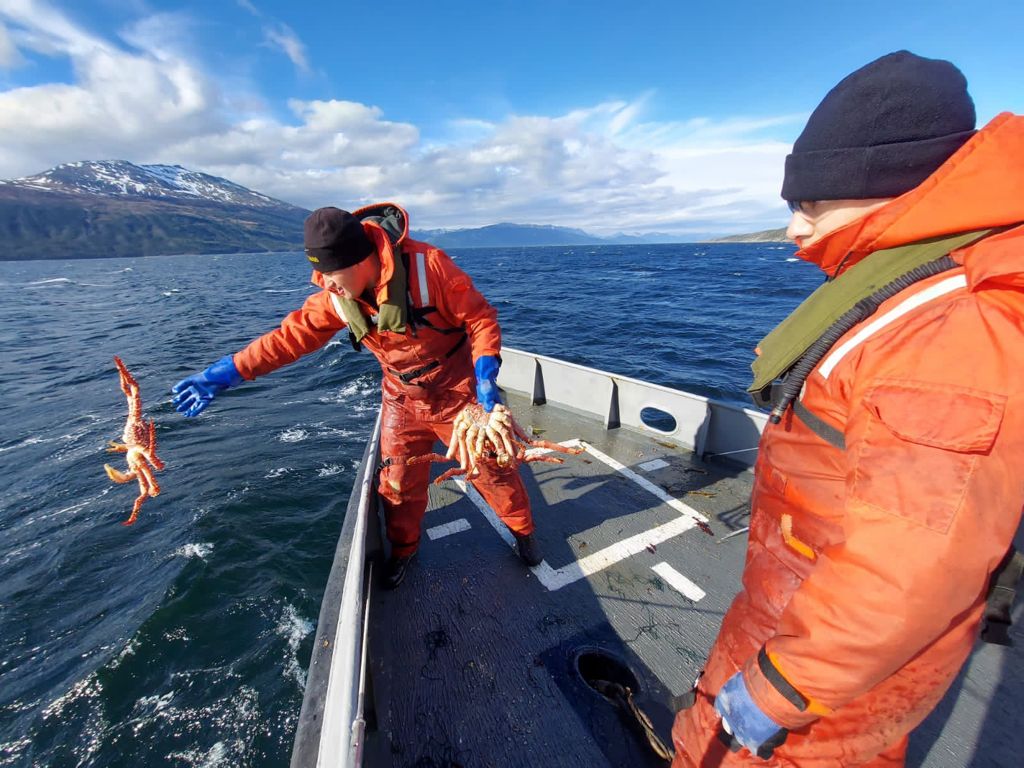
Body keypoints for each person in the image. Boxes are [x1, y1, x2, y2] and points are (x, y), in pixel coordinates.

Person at [671, 51, 1024, 766]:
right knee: (705, 727)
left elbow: (911, 566)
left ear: (884, 188)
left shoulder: (950, 333)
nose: (796, 230)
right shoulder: (910, 289)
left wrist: (779, 689)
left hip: (825, 675)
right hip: (793, 605)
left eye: (811, 205)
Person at [171, 202, 542, 588]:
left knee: (491, 470)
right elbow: (287, 339)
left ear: (362, 259)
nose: (326, 284)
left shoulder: (428, 267)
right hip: (401, 396)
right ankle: (404, 550)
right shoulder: (335, 295)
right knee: (396, 482)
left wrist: (485, 377)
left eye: (332, 274)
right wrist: (227, 372)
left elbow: (480, 319)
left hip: (457, 392)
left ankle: (523, 532)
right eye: (321, 273)